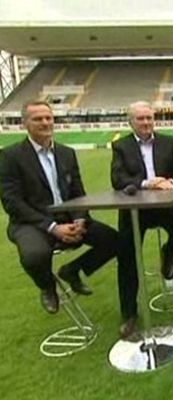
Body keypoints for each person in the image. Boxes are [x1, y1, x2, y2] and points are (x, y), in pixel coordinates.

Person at [0, 100, 122, 315]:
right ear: (25, 123)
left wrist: (80, 219)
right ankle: (47, 287)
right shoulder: (10, 156)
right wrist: (53, 227)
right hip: (32, 223)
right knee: (34, 256)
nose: (45, 122)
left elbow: (78, 194)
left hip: (69, 219)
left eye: (48, 118)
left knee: (116, 240)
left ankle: (73, 270)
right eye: (38, 119)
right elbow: (12, 202)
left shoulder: (67, 153)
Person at [110, 101, 173, 337]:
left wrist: (171, 183)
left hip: (165, 205)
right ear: (131, 122)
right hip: (135, 210)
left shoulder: (169, 142)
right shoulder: (121, 146)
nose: (146, 123)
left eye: (149, 118)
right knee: (126, 257)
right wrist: (147, 183)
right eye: (140, 119)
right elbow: (118, 179)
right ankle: (130, 314)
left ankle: (168, 254)